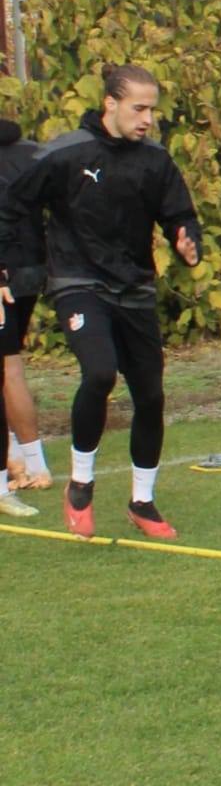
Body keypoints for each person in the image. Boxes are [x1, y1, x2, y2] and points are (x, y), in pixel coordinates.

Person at [0, 64, 202, 539]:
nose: (148, 119)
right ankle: (81, 485)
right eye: (139, 108)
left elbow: (180, 214)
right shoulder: (66, 153)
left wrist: (185, 238)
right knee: (99, 373)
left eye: (153, 109)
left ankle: (143, 502)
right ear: (110, 104)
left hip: (135, 288)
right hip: (78, 282)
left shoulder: (155, 159)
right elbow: (11, 206)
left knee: (151, 395)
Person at [0, 118, 52, 503]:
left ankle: (33, 463)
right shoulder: (32, 151)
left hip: (6, 268)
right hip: (33, 266)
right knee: (10, 359)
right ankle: (18, 455)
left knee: (8, 365)